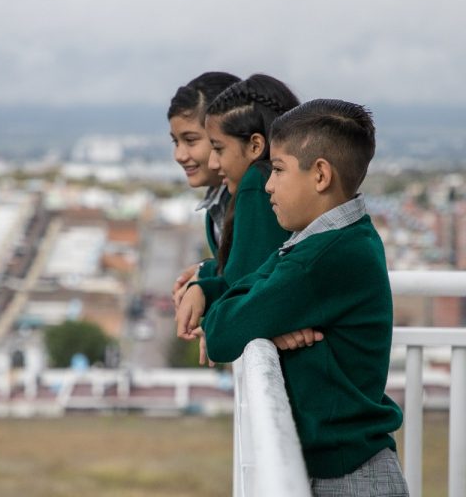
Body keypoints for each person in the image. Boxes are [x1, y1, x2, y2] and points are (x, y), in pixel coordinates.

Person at [197, 99, 408, 495]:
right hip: (354, 467)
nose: (269, 185)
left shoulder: (319, 259)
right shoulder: (344, 237)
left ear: (321, 175)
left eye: (277, 169)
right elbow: (249, 285)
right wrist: (270, 326)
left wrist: (251, 308)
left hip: (349, 478)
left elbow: (222, 330)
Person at [175, 74, 317, 360]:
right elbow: (257, 274)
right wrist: (206, 281)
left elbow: (244, 293)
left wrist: (216, 321)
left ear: (255, 145)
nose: (214, 162)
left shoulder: (257, 183)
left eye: (218, 148)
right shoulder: (256, 189)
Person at [168, 71, 240, 297]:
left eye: (190, 140)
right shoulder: (217, 201)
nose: (179, 155)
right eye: (175, 141)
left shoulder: (257, 196)